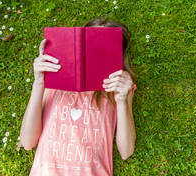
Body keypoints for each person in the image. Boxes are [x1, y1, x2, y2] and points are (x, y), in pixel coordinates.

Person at [20, 18, 137, 176]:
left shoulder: (118, 88)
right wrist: (39, 83)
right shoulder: (54, 81)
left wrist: (122, 100)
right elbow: (27, 142)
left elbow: (126, 151)